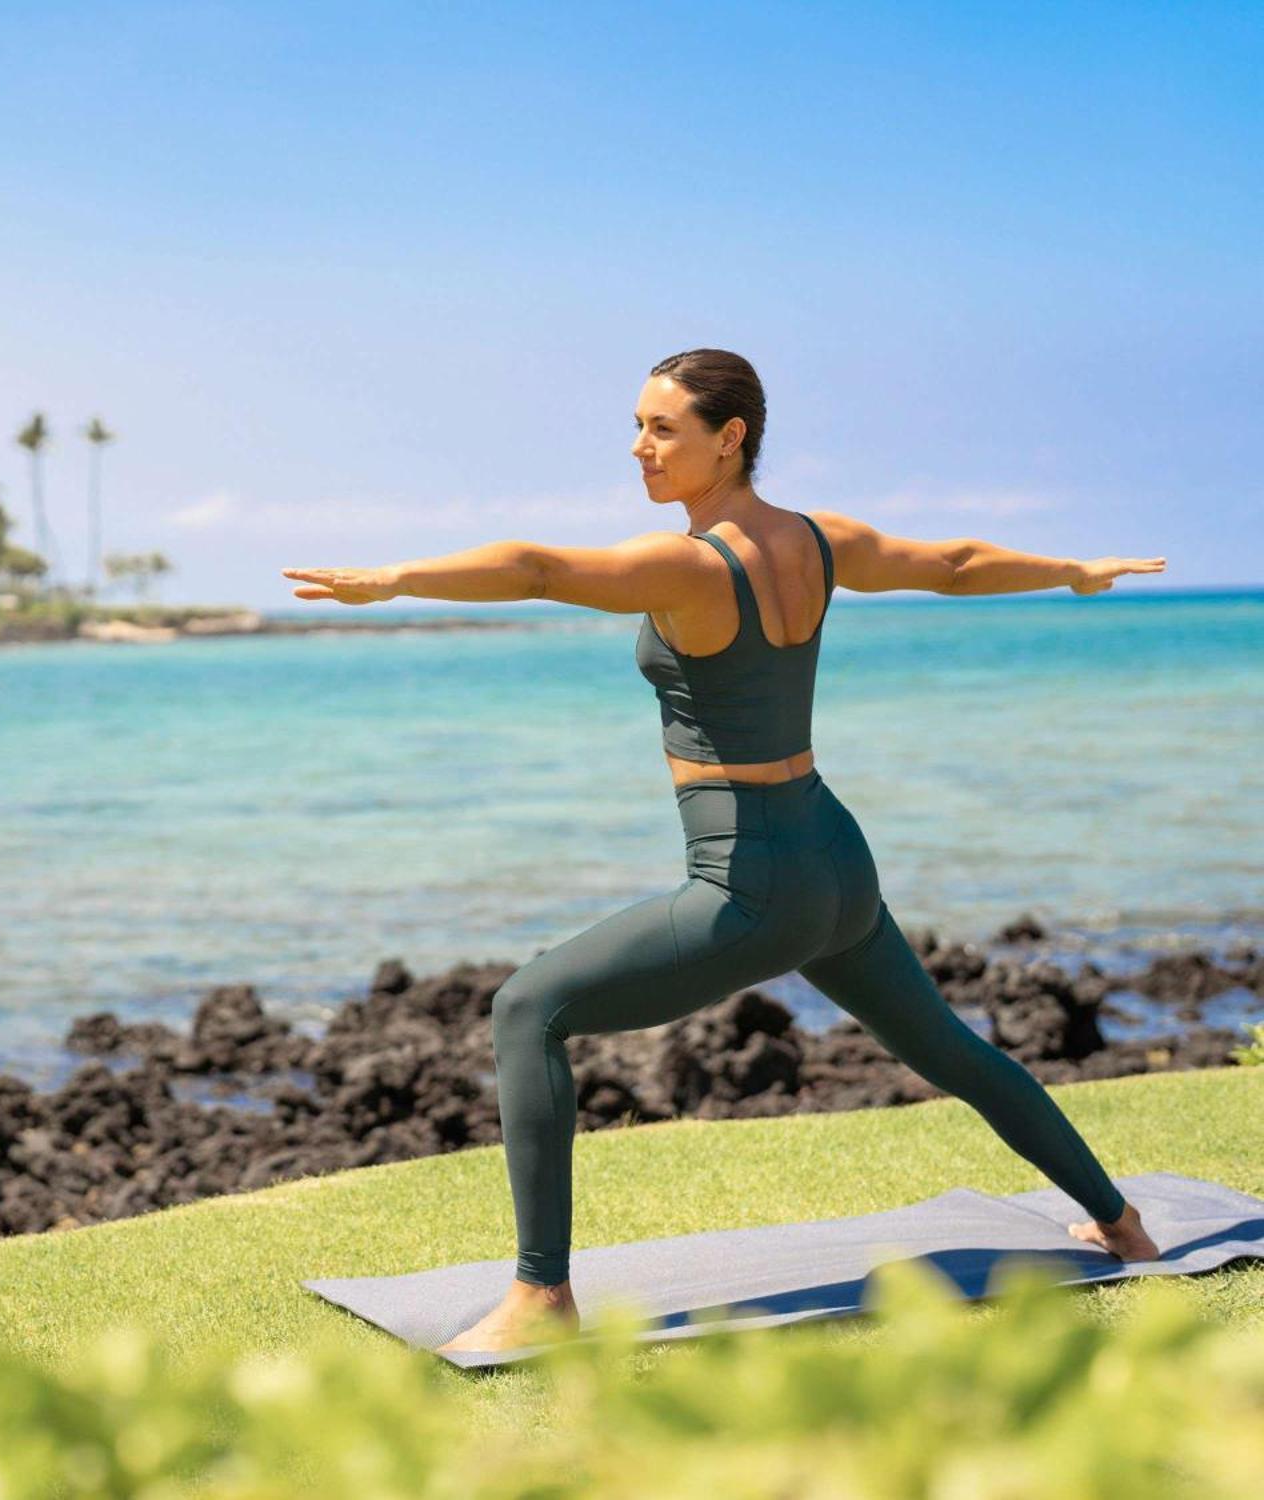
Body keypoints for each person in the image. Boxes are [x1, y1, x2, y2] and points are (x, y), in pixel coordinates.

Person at [280, 348, 1168, 1356]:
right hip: (831, 856)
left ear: (728, 437)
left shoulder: (687, 564)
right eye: (637, 425)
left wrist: (389, 581)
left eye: (662, 429)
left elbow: (533, 566)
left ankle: (539, 1297)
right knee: (949, 1052)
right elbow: (952, 564)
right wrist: (1071, 572)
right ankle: (1119, 1223)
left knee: (526, 1010)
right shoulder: (818, 542)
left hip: (750, 880)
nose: (639, 448)